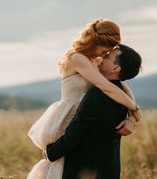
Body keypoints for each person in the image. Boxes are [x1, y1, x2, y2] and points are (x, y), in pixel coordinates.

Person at [27, 19, 140, 179]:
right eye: (106, 51)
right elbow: (107, 87)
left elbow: (121, 88)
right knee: (59, 165)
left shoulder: (96, 61)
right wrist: (135, 110)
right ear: (98, 43)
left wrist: (132, 117)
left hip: (83, 118)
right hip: (67, 116)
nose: (105, 54)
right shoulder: (77, 58)